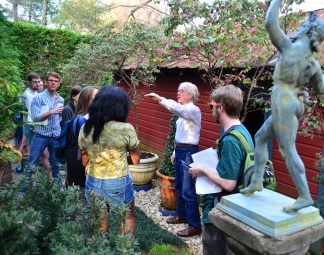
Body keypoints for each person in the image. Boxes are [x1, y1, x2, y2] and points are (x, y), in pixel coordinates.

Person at [240, 0, 324, 212]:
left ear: (307, 29)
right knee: (260, 138)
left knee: (287, 150)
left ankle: (304, 195)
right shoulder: (312, 63)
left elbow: (270, 24)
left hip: (283, 101)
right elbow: (322, 89)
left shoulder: (289, 47)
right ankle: (257, 181)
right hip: (290, 101)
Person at [189, 85, 254, 255]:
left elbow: (228, 183)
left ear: (221, 107)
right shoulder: (242, 131)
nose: (210, 111)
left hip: (221, 213)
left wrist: (203, 169)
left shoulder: (231, 141)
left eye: (211, 106)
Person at [79, 85, 140, 234]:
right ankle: (127, 250)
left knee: (99, 218)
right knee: (127, 218)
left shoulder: (85, 127)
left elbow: (84, 161)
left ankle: (101, 248)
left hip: (93, 180)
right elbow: (136, 159)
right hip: (118, 180)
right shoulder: (126, 128)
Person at [144, 82, 202, 237]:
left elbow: (179, 109)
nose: (178, 93)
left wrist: (161, 99)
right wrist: (175, 151)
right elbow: (183, 135)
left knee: (188, 190)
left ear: (191, 95)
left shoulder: (193, 110)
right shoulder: (183, 113)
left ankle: (195, 225)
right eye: (177, 90)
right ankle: (182, 216)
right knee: (180, 187)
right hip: (181, 150)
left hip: (189, 152)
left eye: (181, 91)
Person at [18, 72, 64, 195]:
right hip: (41, 136)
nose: (53, 83)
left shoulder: (61, 99)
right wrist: (52, 111)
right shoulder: (38, 98)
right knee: (32, 163)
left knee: (55, 164)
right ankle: (22, 191)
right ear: (46, 82)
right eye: (51, 80)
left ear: (59, 83)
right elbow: (35, 117)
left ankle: (58, 189)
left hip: (55, 136)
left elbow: (58, 118)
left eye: (56, 81)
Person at [15, 73, 49, 174]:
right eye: (34, 82)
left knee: (24, 145)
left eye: (39, 82)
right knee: (38, 152)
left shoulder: (34, 93)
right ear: (29, 82)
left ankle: (18, 165)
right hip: (31, 126)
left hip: (28, 125)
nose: (37, 84)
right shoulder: (28, 95)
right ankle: (34, 177)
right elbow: (34, 115)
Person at [65, 86, 99, 187]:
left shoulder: (89, 116)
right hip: (82, 164)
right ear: (86, 99)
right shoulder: (83, 120)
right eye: (96, 97)